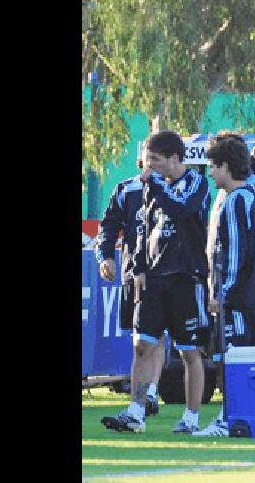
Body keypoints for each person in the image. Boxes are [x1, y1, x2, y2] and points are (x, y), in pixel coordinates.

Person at [101, 131, 211, 434]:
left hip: (186, 278)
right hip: (153, 280)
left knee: (190, 351)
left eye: (155, 161)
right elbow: (144, 232)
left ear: (175, 159)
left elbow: (181, 210)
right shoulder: (148, 187)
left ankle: (191, 417)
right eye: (146, 160)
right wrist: (138, 268)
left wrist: (157, 185)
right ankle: (135, 411)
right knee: (142, 345)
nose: (147, 167)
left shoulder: (196, 183)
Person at [192, 133, 255, 436]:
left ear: (225, 166)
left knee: (231, 360)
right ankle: (242, 417)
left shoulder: (235, 201)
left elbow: (234, 253)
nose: (209, 172)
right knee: (243, 358)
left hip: (241, 297)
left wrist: (223, 292)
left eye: (212, 165)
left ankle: (228, 419)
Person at [94, 151, 163, 419]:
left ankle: (151, 391)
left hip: (164, 273)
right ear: (140, 161)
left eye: (158, 157)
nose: (152, 163)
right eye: (149, 157)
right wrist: (106, 257)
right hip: (133, 273)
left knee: (155, 335)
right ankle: (142, 393)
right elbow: (108, 225)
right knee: (140, 337)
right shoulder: (127, 188)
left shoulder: (175, 188)